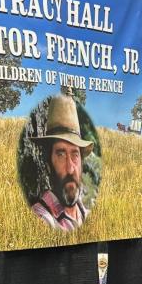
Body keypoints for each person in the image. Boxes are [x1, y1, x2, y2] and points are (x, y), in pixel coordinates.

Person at [30, 93, 92, 231]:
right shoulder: (41, 220)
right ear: (48, 165)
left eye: (75, 154)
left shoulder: (87, 215)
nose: (70, 169)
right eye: (61, 154)